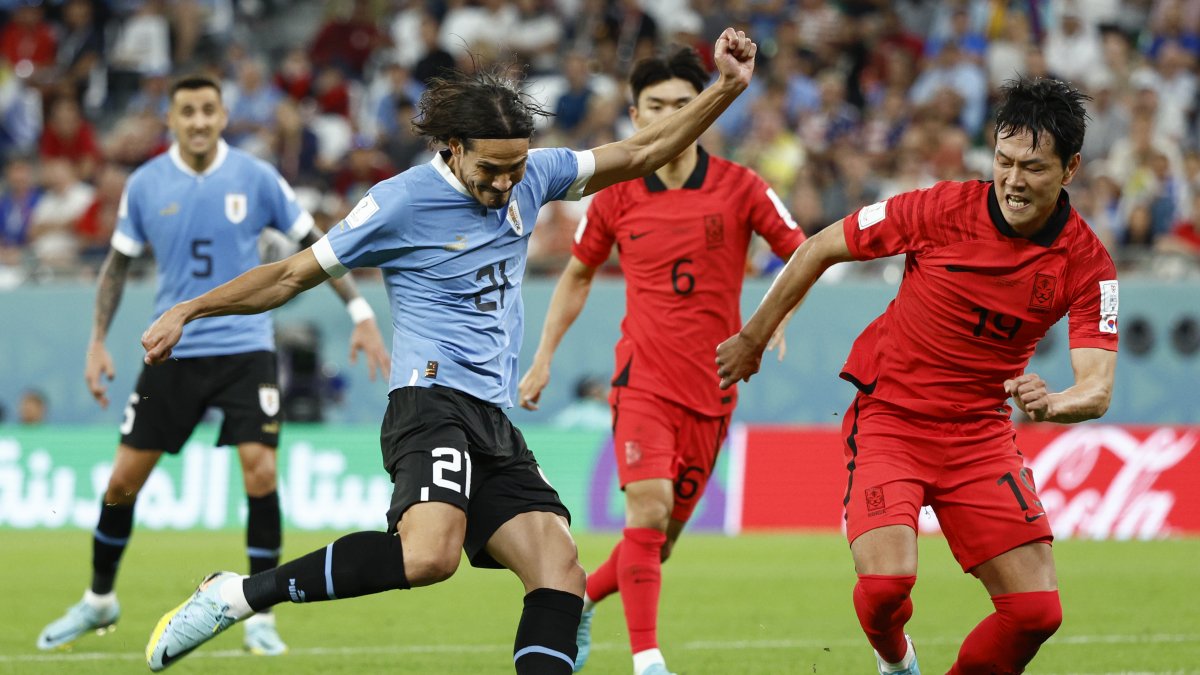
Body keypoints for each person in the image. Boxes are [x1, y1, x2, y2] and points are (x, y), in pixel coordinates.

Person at [138, 28, 758, 674]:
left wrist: (727, 89)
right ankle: (235, 594)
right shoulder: (399, 203)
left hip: (491, 416)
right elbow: (292, 274)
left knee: (561, 570)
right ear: (452, 148)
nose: (504, 186)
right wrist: (191, 308)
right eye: (490, 170)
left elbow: (645, 147)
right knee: (429, 553)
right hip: (428, 400)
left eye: (515, 169)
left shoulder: (534, 176)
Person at [715, 77, 1118, 675]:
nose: (1012, 180)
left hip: (980, 435)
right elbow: (822, 246)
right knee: (885, 589)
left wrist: (1056, 403)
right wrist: (751, 337)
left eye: (1032, 167)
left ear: (1071, 168)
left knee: (1036, 612)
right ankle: (897, 661)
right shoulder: (939, 209)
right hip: (891, 421)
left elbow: (1098, 387)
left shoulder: (1087, 264)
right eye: (1003, 162)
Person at [35, 75, 390, 657]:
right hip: (173, 353)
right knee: (123, 482)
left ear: (224, 116)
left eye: (208, 110)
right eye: (187, 112)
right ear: (170, 120)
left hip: (245, 347)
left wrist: (359, 311)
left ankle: (259, 618)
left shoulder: (255, 177)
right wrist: (97, 340)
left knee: (261, 472)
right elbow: (117, 269)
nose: (199, 121)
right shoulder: (146, 185)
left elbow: (316, 246)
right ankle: (99, 599)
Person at [518, 47, 805, 675]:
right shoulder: (616, 196)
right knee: (645, 510)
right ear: (634, 114)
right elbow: (577, 276)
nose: (671, 116)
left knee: (658, 543)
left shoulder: (742, 187)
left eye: (684, 104)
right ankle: (648, 660)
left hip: (714, 386)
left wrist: (776, 312)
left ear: (706, 110)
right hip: (641, 378)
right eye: (657, 107)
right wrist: (542, 359)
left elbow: (802, 250)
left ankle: (584, 597)